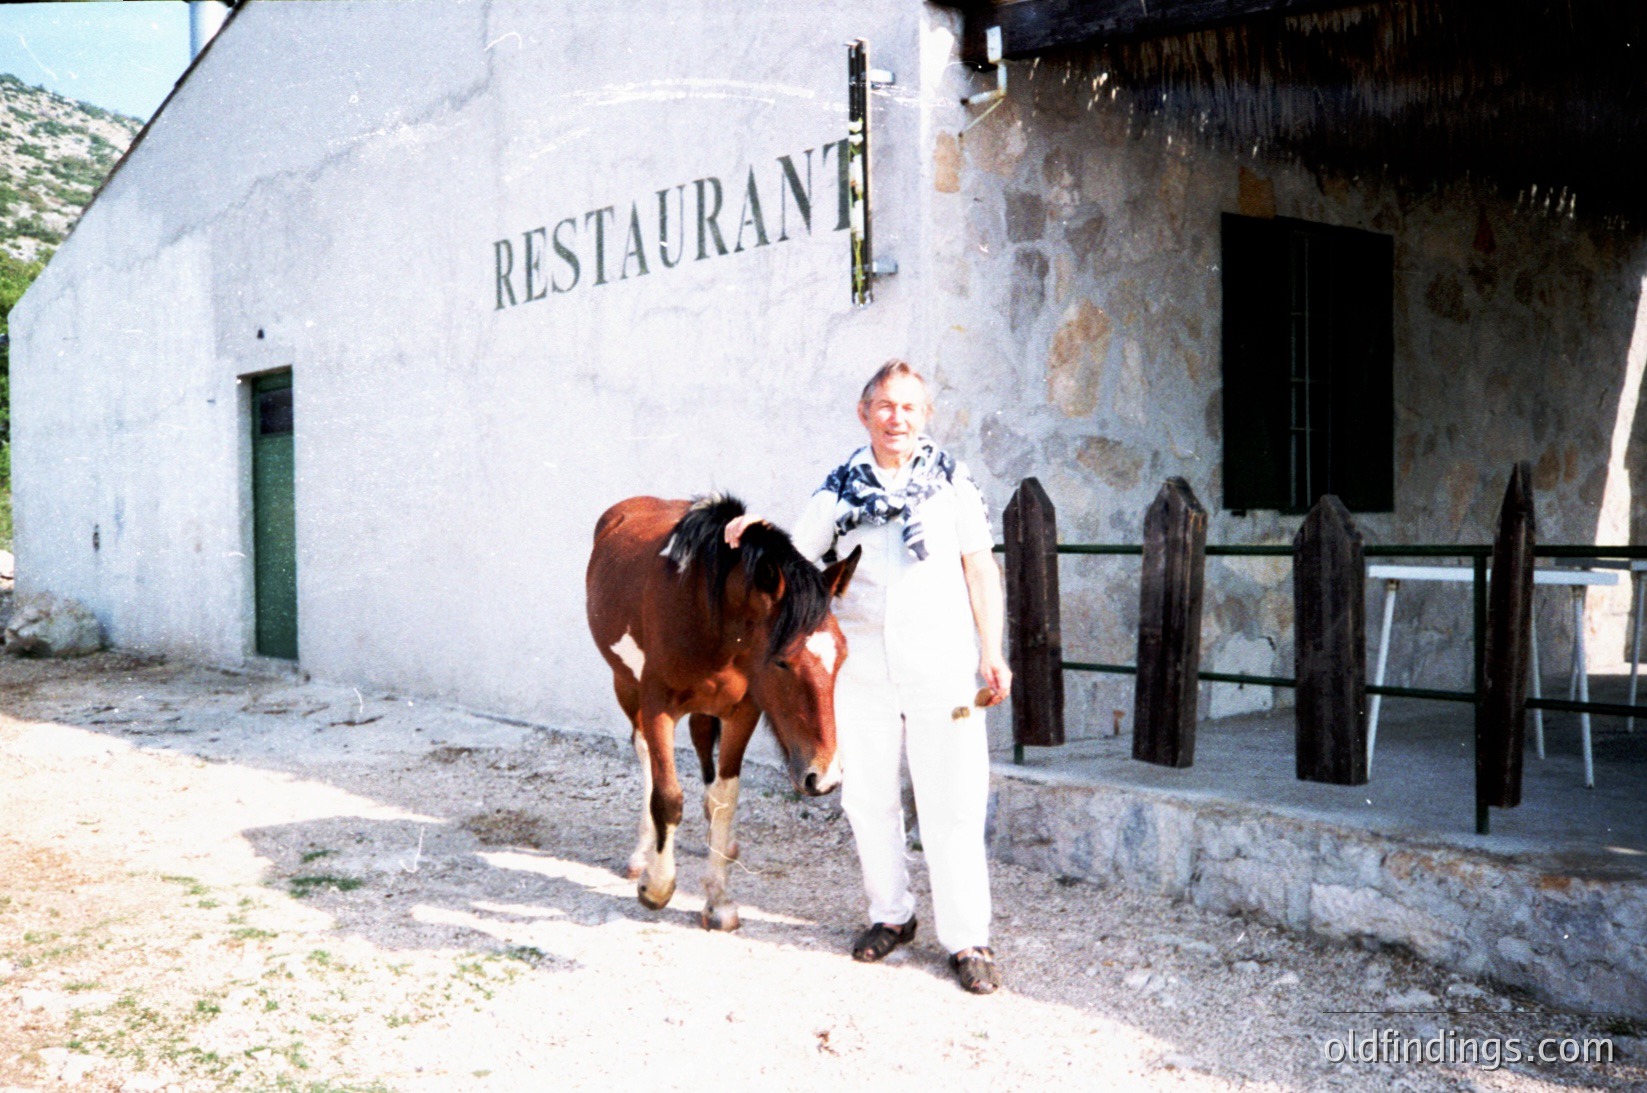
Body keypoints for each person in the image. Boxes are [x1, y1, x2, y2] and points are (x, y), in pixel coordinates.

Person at [727, 359, 1010, 994]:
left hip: (942, 665)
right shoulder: (836, 491)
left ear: (925, 416)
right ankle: (892, 915)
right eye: (885, 405)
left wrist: (992, 650)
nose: (897, 418)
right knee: (868, 799)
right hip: (864, 675)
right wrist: (759, 530)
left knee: (954, 804)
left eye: (909, 407)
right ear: (864, 413)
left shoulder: (952, 485)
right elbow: (798, 559)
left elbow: (979, 569)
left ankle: (967, 939)